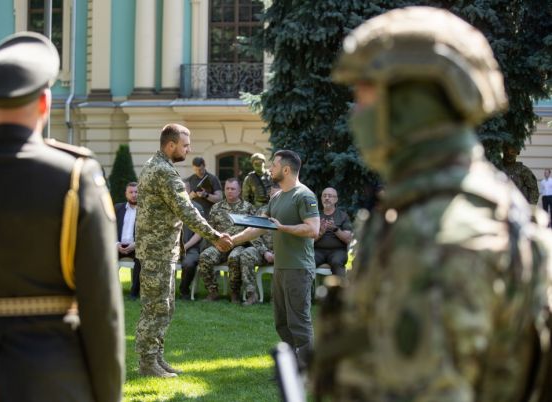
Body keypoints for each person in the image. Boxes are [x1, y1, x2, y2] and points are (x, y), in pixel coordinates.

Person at [311, 6, 552, 401]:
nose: (355, 112)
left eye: (365, 94)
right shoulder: (488, 203)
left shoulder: (437, 239)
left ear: (411, 103)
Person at [0, 32, 124, 402]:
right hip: (56, 376)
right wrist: (108, 394)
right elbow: (101, 306)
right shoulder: (75, 176)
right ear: (45, 102)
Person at [135, 123, 232, 378]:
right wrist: (215, 236)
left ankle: (156, 359)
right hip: (157, 250)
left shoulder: (155, 165)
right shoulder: (164, 172)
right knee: (156, 308)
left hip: (159, 249)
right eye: (185, 145)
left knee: (163, 306)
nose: (188, 150)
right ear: (171, 145)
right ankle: (147, 363)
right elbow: (187, 210)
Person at [231, 150, 320, 370]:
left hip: (299, 269)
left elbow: (313, 229)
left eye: (274, 165)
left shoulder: (304, 195)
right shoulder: (277, 197)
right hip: (281, 268)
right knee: (282, 322)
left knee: (299, 322)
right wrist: (231, 240)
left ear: (286, 169)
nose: (270, 169)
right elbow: (257, 228)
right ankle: (291, 368)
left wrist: (283, 228)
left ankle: (310, 369)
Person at [197, 177, 256, 302]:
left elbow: (253, 231)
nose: (230, 191)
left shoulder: (248, 208)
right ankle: (213, 291)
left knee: (234, 258)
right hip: (220, 245)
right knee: (205, 256)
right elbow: (210, 230)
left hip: (239, 245)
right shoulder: (216, 207)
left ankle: (235, 292)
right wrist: (215, 243)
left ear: (239, 191)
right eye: (227, 188)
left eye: (233, 189)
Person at [237, 182, 281, 306]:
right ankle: (251, 295)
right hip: (263, 251)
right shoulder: (262, 211)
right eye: (272, 194)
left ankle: (277, 297)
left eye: (278, 194)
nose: (274, 197)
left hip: (282, 251)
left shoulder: (288, 212)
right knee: (246, 254)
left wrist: (278, 253)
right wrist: (264, 251)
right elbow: (253, 234)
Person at [314, 187, 353, 277]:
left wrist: (335, 229)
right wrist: (320, 233)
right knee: (306, 263)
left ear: (336, 199)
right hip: (318, 251)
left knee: (336, 262)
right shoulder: (315, 216)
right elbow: (308, 241)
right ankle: (307, 290)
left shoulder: (343, 216)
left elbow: (348, 239)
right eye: (324, 196)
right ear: (321, 199)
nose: (327, 198)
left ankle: (340, 290)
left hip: (337, 251)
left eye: (330, 196)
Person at [178, 180, 204, 300]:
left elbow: (199, 233)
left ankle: (184, 290)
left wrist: (184, 247)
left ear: (189, 192)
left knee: (189, 264)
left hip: (190, 248)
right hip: (170, 248)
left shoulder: (197, 208)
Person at [115, 182, 141, 300]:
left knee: (141, 258)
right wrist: (116, 244)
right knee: (104, 258)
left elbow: (148, 232)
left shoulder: (146, 211)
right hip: (118, 246)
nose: (134, 195)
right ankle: (110, 291)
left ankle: (134, 293)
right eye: (131, 192)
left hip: (136, 246)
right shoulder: (117, 208)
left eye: (136, 192)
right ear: (126, 194)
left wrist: (135, 244)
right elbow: (109, 228)